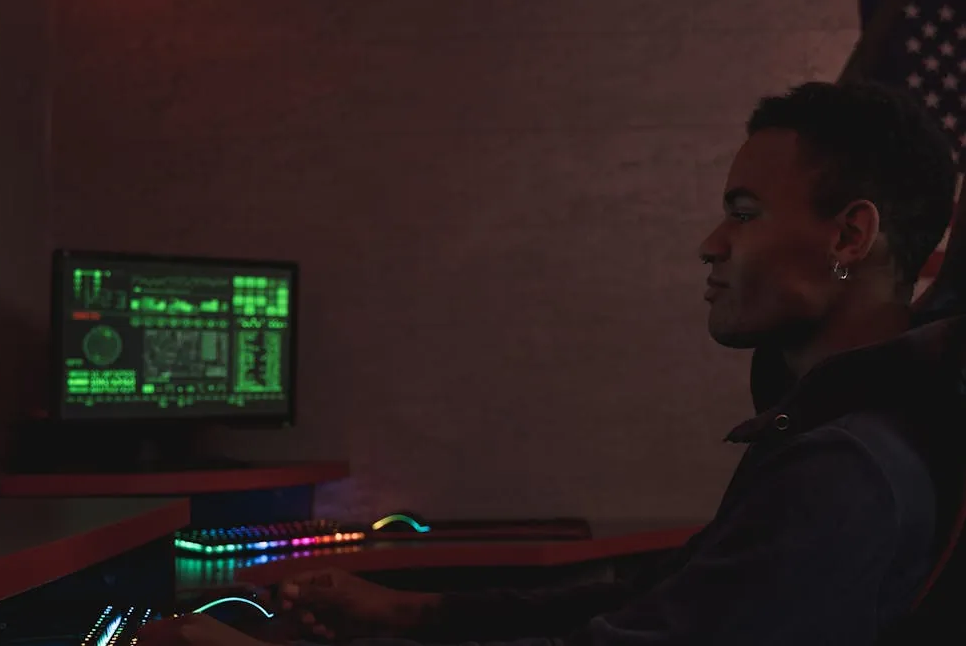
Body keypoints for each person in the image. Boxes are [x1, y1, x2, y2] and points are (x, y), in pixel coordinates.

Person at [134, 80, 966, 645]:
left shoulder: (844, 470)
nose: (709, 245)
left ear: (848, 236)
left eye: (742, 214)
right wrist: (414, 612)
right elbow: (666, 589)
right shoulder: (836, 436)